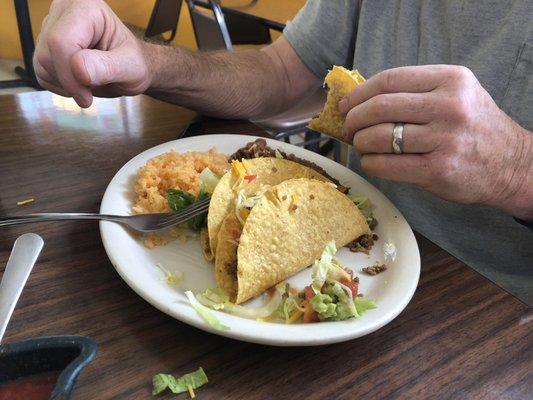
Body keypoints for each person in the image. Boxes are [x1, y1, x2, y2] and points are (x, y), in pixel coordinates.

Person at [33, 0, 532, 302]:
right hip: (358, 258)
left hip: (502, 318)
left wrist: (516, 168)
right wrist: (147, 62)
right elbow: (282, 74)